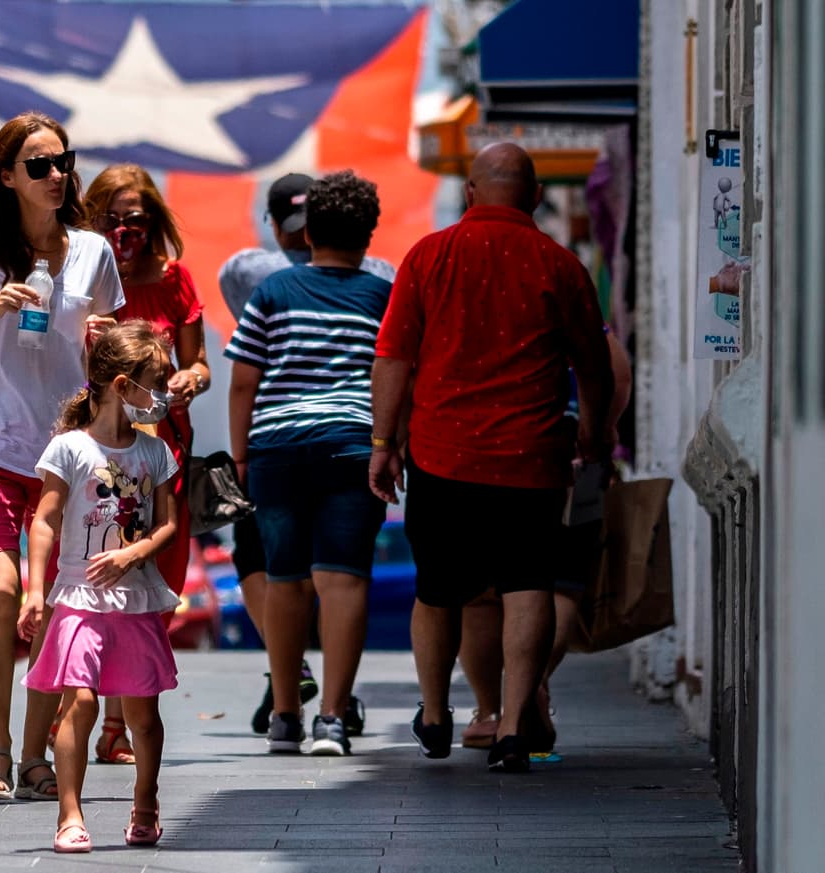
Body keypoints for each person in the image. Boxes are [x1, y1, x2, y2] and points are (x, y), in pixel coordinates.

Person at [369, 142, 614, 773]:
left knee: (438, 590)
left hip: (442, 456)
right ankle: (510, 728)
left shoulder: (428, 256)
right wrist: (593, 431)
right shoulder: (560, 264)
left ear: (472, 193)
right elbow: (593, 362)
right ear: (535, 196)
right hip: (532, 458)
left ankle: (433, 712)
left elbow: (393, 355)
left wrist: (383, 442)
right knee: (528, 584)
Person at [0, 112, 123, 802]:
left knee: (53, 607)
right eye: (37, 164)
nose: (55, 175)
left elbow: (112, 352)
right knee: (3, 593)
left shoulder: (94, 253)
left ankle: (37, 751)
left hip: (65, 457)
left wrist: (109, 342)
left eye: (62, 162)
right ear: (6, 175)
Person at [218, 172, 394, 738]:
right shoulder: (381, 295)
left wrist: (242, 459)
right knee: (343, 580)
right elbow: (394, 376)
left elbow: (244, 380)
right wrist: (393, 445)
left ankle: (286, 714)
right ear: (369, 236)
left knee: (285, 578)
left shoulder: (271, 292)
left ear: (307, 231)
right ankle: (334, 716)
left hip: (278, 449)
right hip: (352, 444)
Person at [17, 320, 180, 853]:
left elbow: (170, 523)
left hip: (135, 599)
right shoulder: (68, 448)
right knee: (79, 702)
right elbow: (45, 518)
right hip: (77, 597)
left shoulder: (154, 453)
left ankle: (146, 802)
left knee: (142, 711)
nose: (159, 396)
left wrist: (135, 552)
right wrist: (34, 589)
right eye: (153, 383)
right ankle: (70, 814)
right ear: (120, 386)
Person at [80, 163, 210, 765]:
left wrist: (189, 377)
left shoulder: (175, 279)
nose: (125, 230)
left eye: (137, 219)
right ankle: (109, 726)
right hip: (100, 459)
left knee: (154, 587)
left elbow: (199, 363)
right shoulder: (83, 273)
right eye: (112, 218)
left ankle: (119, 721)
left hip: (163, 459)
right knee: (106, 583)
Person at [457, 330, 633, 751]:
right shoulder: (563, 285)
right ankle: (529, 686)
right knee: (563, 583)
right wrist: (602, 430)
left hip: (479, 457)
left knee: (480, 593)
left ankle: (489, 712)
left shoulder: (466, 296)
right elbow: (617, 373)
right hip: (578, 458)